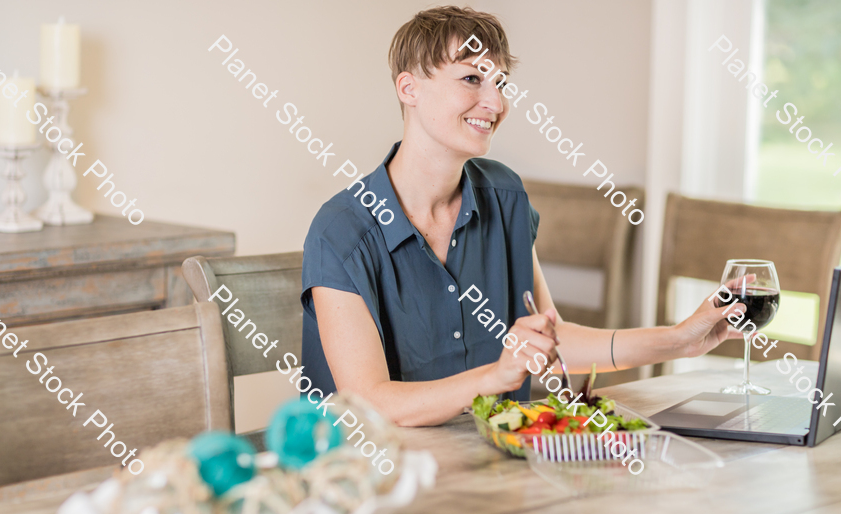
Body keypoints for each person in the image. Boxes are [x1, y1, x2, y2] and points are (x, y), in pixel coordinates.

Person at [300, 5, 739, 427]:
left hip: (493, 465)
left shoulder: (504, 196)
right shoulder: (341, 231)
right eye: (472, 78)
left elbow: (555, 341)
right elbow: (369, 403)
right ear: (408, 88)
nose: (496, 103)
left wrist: (680, 340)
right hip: (373, 479)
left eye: (501, 83)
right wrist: (494, 378)